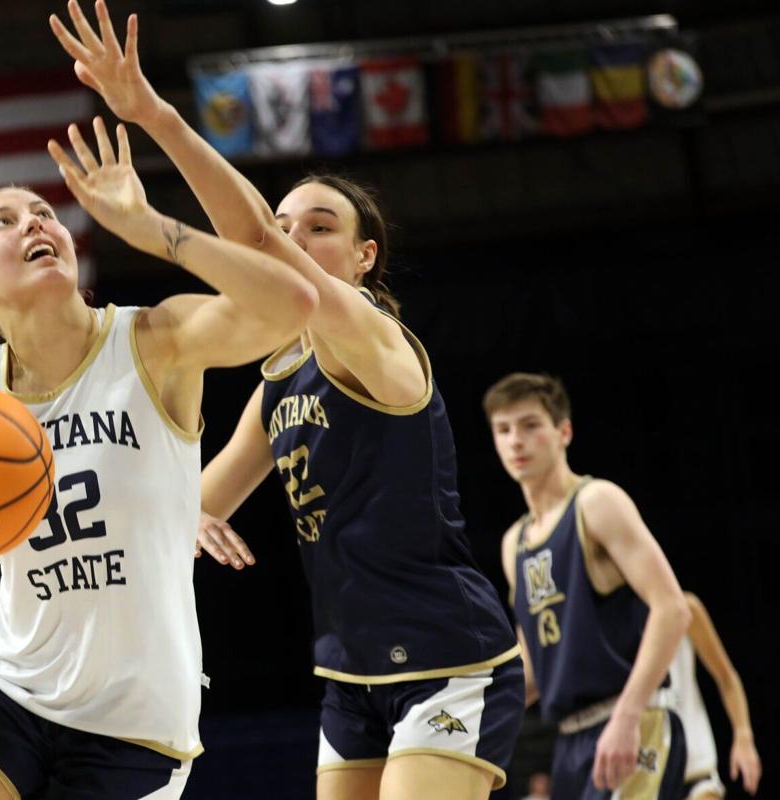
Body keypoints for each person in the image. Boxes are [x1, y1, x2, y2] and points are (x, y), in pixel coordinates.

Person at [50, 4, 526, 798]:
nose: (294, 237)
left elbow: (259, 252)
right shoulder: (280, 380)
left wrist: (157, 122)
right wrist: (183, 512)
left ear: (366, 256)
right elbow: (204, 495)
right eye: (285, 223)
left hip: (448, 657)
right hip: (350, 670)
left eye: (321, 225)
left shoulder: (376, 342)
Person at [0, 116, 317, 800]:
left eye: (43, 214)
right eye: (4, 222)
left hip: (133, 727)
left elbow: (293, 306)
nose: (34, 225)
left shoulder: (153, 342)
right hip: (12, 690)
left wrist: (151, 228)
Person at [485, 372, 693, 799]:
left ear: (564, 432)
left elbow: (672, 608)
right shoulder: (514, 543)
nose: (515, 441)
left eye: (530, 425)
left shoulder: (596, 502)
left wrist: (629, 715)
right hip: (569, 737)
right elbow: (535, 663)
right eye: (503, 430)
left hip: (634, 717)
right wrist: (469, 720)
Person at [670, 591, 762, 798]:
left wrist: (743, 735)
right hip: (642, 770)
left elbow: (727, 678)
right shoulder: (608, 622)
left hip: (694, 767)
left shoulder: (685, 608)